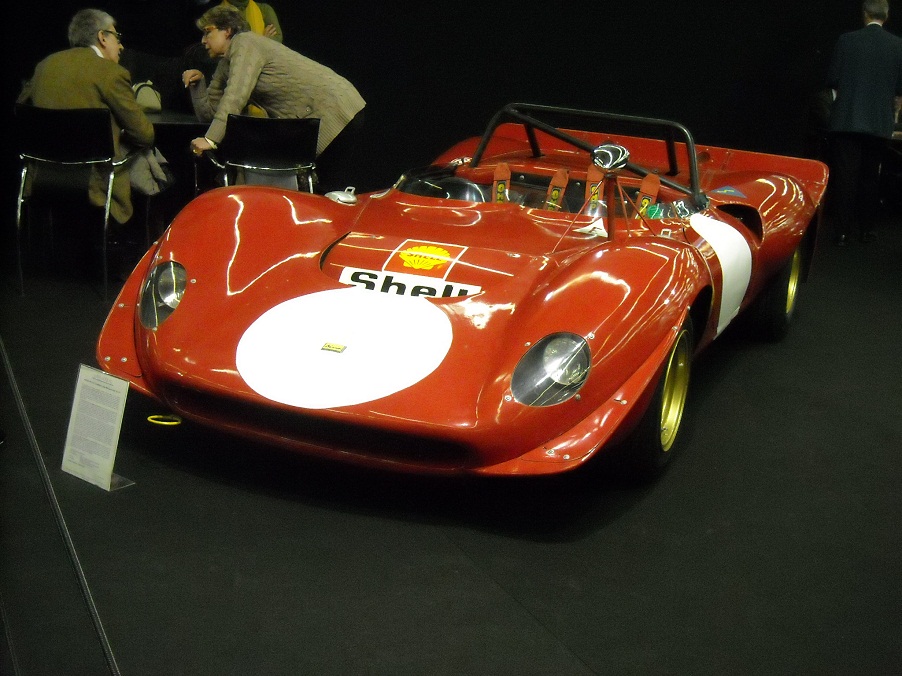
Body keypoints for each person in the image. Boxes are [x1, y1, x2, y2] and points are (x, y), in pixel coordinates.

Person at [182, 5, 366, 191]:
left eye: (208, 32)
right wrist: (198, 85)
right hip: (314, 120)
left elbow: (235, 96)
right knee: (314, 190)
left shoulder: (246, 42)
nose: (203, 40)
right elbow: (210, 114)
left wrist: (211, 140)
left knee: (326, 189)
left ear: (227, 31)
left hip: (334, 107)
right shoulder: (225, 64)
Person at [17, 8, 155, 226]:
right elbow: (145, 134)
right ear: (102, 37)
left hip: (42, 180)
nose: (121, 46)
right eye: (117, 37)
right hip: (93, 186)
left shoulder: (44, 65)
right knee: (148, 160)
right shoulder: (111, 73)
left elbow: (21, 111)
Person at [826, 0, 902, 245]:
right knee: (871, 176)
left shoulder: (846, 40)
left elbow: (833, 78)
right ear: (886, 16)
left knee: (845, 177)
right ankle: (866, 230)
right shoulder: (898, 45)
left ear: (864, 14)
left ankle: (841, 233)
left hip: (847, 119)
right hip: (879, 122)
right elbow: (899, 88)